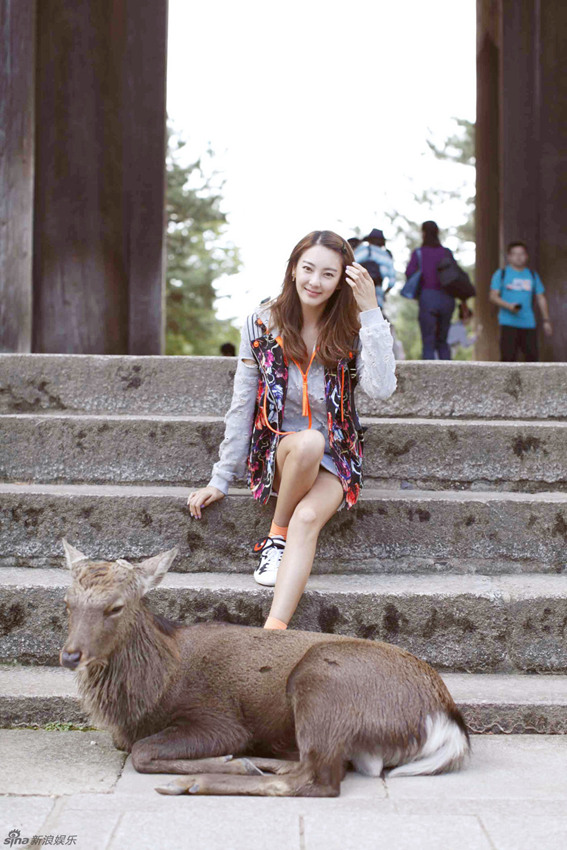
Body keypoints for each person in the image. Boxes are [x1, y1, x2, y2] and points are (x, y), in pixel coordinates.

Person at [186, 230, 397, 630]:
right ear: (293, 269)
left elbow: (382, 388)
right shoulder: (262, 323)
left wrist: (371, 312)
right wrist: (220, 477)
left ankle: (273, 632)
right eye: (308, 269)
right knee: (307, 443)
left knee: (309, 519)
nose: (315, 282)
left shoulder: (353, 328)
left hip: (338, 457)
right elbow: (242, 402)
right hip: (281, 451)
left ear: (341, 281)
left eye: (328, 274)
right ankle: (276, 535)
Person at [489, 241, 553, 362]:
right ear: (509, 256)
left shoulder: (532, 275)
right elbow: (493, 296)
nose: (518, 257)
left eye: (522, 253)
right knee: (507, 360)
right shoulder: (501, 274)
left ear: (526, 256)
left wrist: (546, 320)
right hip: (508, 323)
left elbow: (541, 297)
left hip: (528, 323)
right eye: (515, 254)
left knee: (532, 359)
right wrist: (508, 306)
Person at [405, 221, 456, 360]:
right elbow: (455, 275)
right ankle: (448, 376)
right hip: (447, 299)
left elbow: (409, 273)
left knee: (428, 341)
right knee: (443, 341)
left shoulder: (419, 253)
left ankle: (427, 379)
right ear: (437, 233)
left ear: (423, 233)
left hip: (428, 298)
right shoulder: (446, 252)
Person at [354, 228, 396, 309]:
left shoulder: (365, 249)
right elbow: (392, 282)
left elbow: (351, 263)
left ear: (369, 240)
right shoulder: (386, 256)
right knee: (376, 313)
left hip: (360, 287)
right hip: (377, 290)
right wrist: (384, 292)